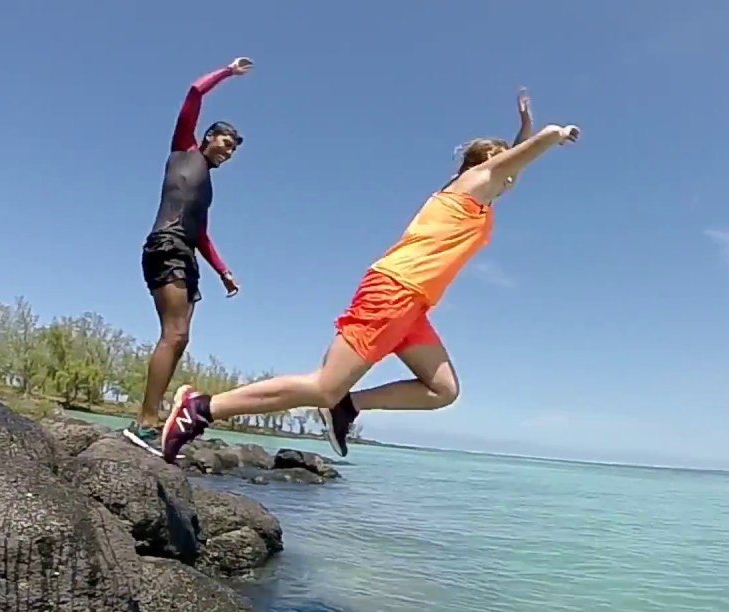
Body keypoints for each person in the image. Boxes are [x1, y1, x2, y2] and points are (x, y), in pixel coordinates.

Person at [157, 93, 580, 465]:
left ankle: (349, 406)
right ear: (486, 164)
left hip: (414, 307)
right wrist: (551, 134)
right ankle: (202, 407)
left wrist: (525, 128)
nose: (510, 182)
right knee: (322, 386)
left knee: (442, 389)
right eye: (503, 167)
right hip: (393, 290)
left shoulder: (482, 199)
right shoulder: (469, 185)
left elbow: (515, 165)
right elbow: (515, 162)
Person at [123, 57, 254, 455]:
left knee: (180, 339)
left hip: (186, 251)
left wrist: (223, 271)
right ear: (209, 138)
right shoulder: (183, 150)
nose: (227, 153)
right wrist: (228, 72)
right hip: (165, 245)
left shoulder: (207, 186)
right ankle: (145, 423)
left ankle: (151, 417)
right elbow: (194, 93)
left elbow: (202, 233)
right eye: (225, 144)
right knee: (175, 333)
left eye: (232, 151)